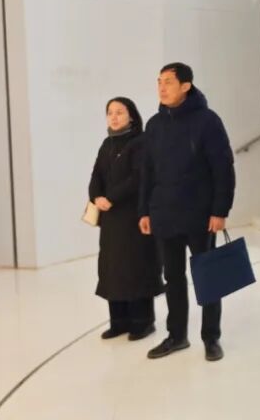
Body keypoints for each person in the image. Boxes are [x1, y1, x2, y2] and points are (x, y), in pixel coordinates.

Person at [138, 63, 236, 362]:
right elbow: (147, 172)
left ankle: (211, 338)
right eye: (159, 81)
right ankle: (177, 335)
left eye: (168, 81)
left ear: (186, 85)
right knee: (173, 278)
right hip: (164, 214)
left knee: (208, 277)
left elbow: (223, 168)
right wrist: (144, 211)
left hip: (200, 215)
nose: (162, 87)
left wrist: (220, 210)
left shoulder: (207, 121)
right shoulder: (154, 125)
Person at [89, 97, 163, 341]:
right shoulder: (107, 144)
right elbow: (96, 175)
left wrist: (111, 197)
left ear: (131, 116)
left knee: (136, 267)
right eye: (110, 112)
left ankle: (143, 322)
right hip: (110, 221)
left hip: (133, 216)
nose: (114, 117)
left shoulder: (141, 142)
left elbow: (138, 177)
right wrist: (96, 196)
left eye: (119, 112)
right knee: (112, 269)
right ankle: (118, 322)